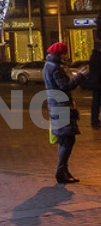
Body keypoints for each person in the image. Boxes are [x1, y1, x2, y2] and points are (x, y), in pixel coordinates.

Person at [43, 41, 89, 184]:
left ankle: (64, 171)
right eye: (64, 53)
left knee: (65, 139)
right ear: (60, 53)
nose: (65, 56)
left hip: (57, 106)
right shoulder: (55, 68)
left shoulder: (48, 66)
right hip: (61, 107)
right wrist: (79, 76)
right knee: (68, 140)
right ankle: (60, 172)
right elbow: (65, 86)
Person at [88, 37, 101, 129]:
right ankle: (95, 121)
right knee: (96, 103)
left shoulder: (94, 56)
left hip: (96, 83)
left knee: (96, 102)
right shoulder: (97, 57)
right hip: (98, 84)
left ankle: (95, 121)